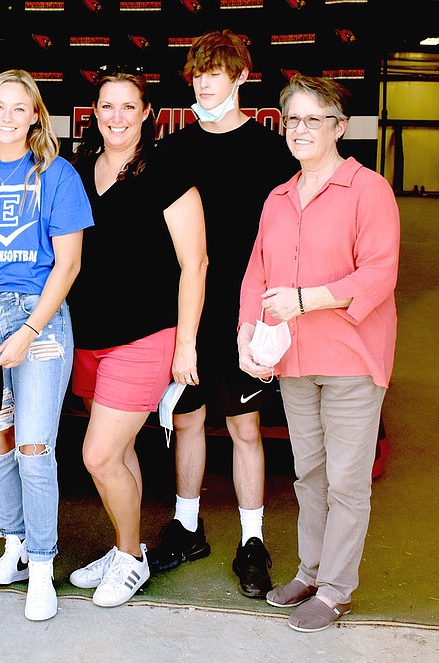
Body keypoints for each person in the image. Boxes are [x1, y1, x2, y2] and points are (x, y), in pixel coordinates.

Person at [238, 74, 400, 632]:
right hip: (295, 360)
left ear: (340, 127)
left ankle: (336, 590)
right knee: (309, 475)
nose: (300, 130)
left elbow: (379, 273)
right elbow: (257, 271)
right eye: (292, 120)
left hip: (352, 358)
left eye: (314, 119)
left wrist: (305, 300)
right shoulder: (279, 197)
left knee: (347, 480)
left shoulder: (368, 189)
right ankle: (310, 572)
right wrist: (245, 332)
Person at [147, 29, 299, 598]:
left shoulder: (271, 150)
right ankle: (187, 527)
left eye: (218, 72)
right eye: (199, 73)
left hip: (246, 314)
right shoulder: (174, 148)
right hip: (187, 313)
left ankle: (252, 540)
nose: (206, 82)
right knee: (185, 419)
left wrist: (274, 315)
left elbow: (291, 237)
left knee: (243, 427)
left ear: (241, 77)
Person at [0, 69, 93, 621]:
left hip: (39, 323)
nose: (7, 118)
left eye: (19, 108)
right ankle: (14, 547)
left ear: (36, 117)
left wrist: (30, 331)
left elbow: (69, 262)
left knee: (35, 448)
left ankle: (43, 569)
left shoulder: (57, 175)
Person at [65, 65, 207, 608]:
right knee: (119, 452)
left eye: (129, 106)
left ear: (146, 113)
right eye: (107, 106)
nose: (117, 117)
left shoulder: (166, 169)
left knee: (98, 455)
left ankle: (130, 558)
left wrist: (186, 344)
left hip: (145, 336)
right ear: (93, 113)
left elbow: (195, 263)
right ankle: (125, 547)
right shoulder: (78, 169)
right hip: (87, 336)